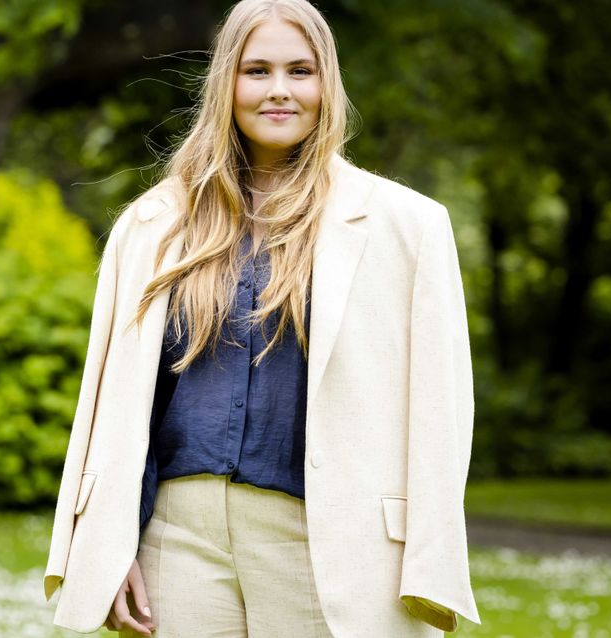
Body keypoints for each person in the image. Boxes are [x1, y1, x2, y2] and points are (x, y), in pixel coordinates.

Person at [43, 0, 482, 636]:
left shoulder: (408, 227)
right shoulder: (152, 224)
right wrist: (111, 543)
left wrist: (429, 563)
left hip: (328, 538)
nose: (279, 90)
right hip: (177, 538)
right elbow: (113, 406)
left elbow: (443, 414)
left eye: (300, 71)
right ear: (227, 83)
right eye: (258, 71)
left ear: (327, 84)